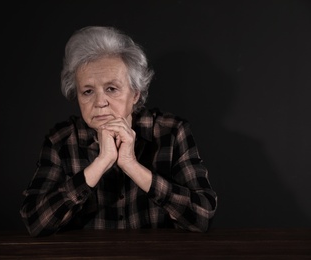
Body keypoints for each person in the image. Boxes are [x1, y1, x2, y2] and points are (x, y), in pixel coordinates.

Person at [20, 26, 217, 236]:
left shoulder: (171, 132)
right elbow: (35, 223)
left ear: (135, 94)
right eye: (87, 91)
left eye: (111, 89)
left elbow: (202, 218)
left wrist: (131, 165)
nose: (100, 102)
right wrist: (100, 163)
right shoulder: (61, 141)